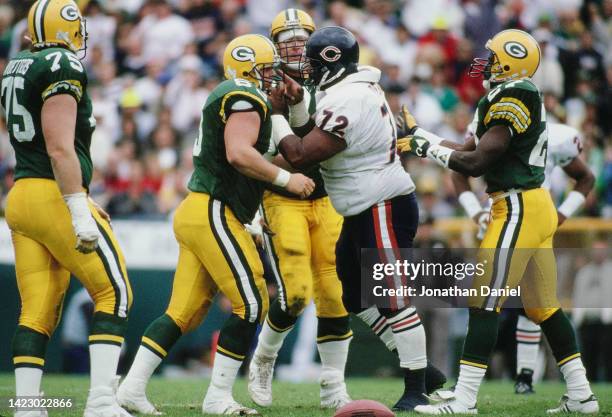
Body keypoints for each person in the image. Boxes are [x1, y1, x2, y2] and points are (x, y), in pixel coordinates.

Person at [397, 29, 599, 414]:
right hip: (531, 206)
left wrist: (425, 149)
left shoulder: (516, 94)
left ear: (511, 61)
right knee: (544, 308)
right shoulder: (506, 94)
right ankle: (582, 395)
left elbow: (477, 163)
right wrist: (421, 134)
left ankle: (465, 398)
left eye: (492, 56)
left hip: (518, 206)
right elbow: (467, 149)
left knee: (484, 299)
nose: (485, 62)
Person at [116, 34, 314, 416]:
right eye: (268, 69)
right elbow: (238, 154)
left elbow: (239, 162)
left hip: (203, 210)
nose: (274, 76)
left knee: (182, 313)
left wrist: (254, 215)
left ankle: (132, 387)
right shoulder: (243, 93)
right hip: (211, 211)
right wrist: (287, 180)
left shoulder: (242, 97)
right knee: (252, 303)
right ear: (248, 69)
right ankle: (218, 397)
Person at [267, 26, 435, 412]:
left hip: (383, 204)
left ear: (330, 60)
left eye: (311, 62)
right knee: (354, 296)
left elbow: (301, 154)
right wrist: (294, 107)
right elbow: (313, 131)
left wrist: (277, 114)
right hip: (363, 206)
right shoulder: (348, 89)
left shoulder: (350, 98)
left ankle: (417, 385)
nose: (306, 71)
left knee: (393, 297)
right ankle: (423, 370)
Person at [3, 1, 133, 416]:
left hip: (22, 195)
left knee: (37, 310)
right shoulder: (61, 62)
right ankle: (100, 401)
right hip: (52, 195)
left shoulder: (19, 62)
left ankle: (27, 406)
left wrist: (80, 194)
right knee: (115, 293)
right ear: (69, 27)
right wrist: (78, 207)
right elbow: (59, 147)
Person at [248, 9, 352, 410]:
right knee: (295, 293)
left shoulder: (335, 83)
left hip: (326, 198)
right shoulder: (261, 87)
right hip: (282, 199)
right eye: (286, 39)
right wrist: (293, 162)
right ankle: (264, 359)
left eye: (301, 37)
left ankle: (333, 384)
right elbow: (259, 158)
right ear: (273, 46)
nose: (294, 46)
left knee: (334, 293)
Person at [452, 121, 595, 394]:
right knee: (540, 304)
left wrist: (562, 215)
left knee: (487, 299)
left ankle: (470, 393)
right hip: (504, 212)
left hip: (522, 213)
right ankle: (581, 392)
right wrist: (476, 212)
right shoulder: (490, 124)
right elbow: (459, 166)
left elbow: (586, 177)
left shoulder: (556, 136)